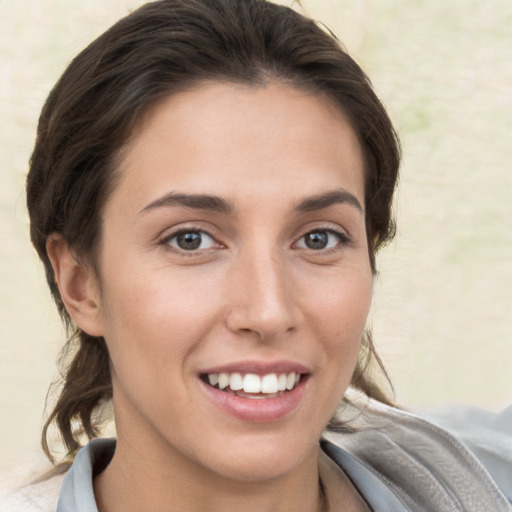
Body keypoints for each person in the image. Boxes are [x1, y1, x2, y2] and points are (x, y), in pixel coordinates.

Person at [3, 0, 511, 510]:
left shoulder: (482, 483)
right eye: (190, 240)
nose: (268, 311)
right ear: (80, 283)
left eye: (318, 238)